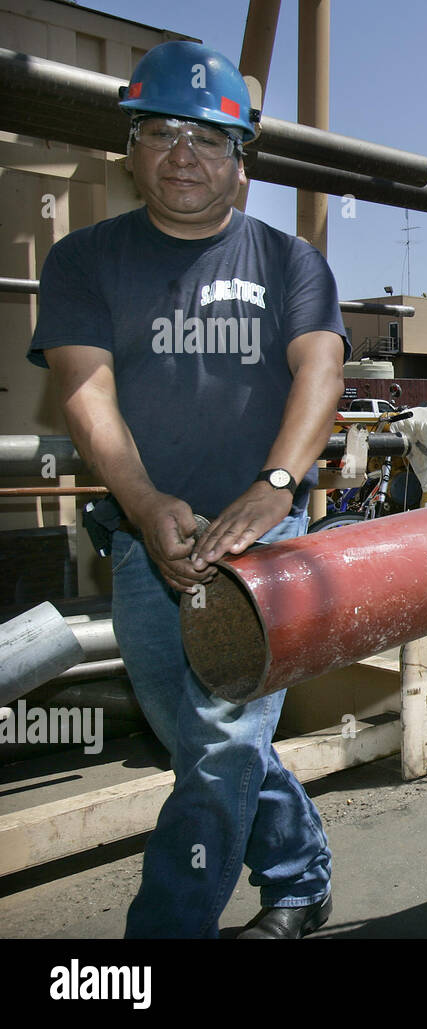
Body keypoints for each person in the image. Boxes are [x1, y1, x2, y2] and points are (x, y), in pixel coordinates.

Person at [28, 41, 347, 937]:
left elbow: (319, 370)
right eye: (160, 131)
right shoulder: (85, 261)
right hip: (146, 553)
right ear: (129, 149)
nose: (183, 153)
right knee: (199, 742)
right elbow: (84, 390)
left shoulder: (292, 262)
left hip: (266, 559)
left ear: (240, 162)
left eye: (208, 138)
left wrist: (277, 483)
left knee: (217, 753)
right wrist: (144, 502)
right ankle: (301, 874)